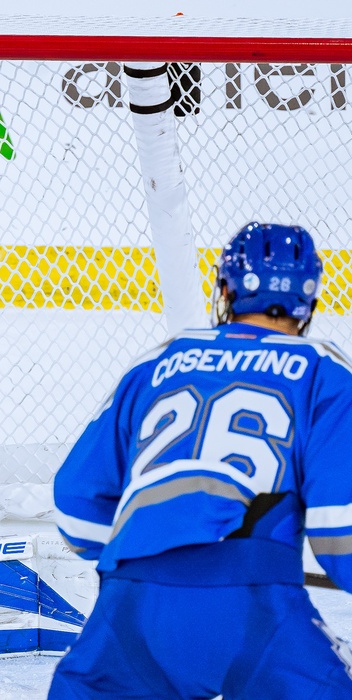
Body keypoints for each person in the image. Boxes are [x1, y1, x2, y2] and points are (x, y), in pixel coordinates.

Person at [48, 221, 352, 698]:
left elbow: (75, 509)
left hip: (132, 603)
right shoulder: (324, 369)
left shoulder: (156, 362)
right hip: (254, 600)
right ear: (308, 301)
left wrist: (152, 556)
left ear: (226, 289)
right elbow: (340, 532)